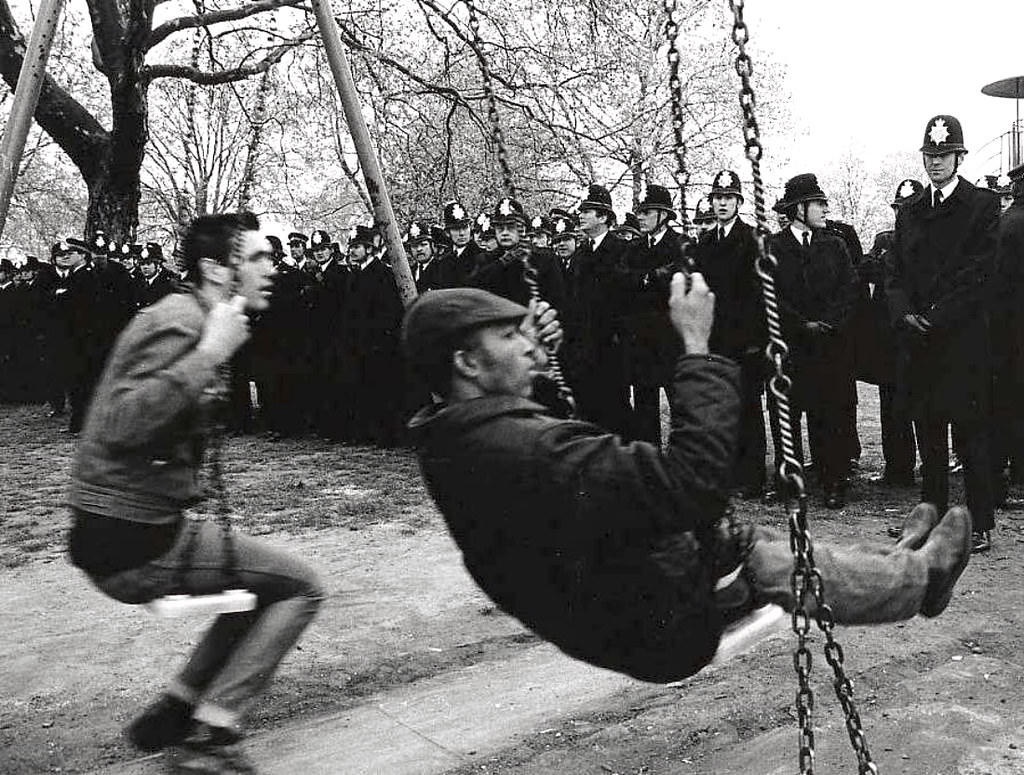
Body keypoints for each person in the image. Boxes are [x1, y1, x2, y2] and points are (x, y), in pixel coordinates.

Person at [402, 282, 971, 683]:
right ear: (466, 364)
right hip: (657, 620)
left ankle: (894, 559)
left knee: (754, 543)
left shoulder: (458, 434)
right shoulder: (519, 450)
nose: (529, 343)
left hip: (610, 600)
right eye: (508, 337)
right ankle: (921, 580)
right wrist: (696, 348)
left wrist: (538, 367)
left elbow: (562, 457)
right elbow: (691, 482)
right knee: (750, 552)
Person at [67, 212, 324, 772]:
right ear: (214, 268)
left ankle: (177, 707)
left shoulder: (197, 315)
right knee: (302, 587)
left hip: (134, 525)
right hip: (130, 537)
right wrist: (209, 354)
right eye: (257, 257)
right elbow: (119, 424)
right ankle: (212, 735)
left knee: (258, 585)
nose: (272, 267)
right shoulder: (183, 323)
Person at [885, 115, 1000, 553]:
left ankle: (979, 523)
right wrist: (904, 314)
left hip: (962, 339)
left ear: (960, 157)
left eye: (943, 155)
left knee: (971, 434)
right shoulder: (911, 211)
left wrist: (935, 315)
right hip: (920, 341)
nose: (935, 163)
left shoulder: (982, 205)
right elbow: (893, 271)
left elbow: (979, 273)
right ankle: (930, 515)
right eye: (929, 156)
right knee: (929, 435)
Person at [769, 174, 859, 509]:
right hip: (792, 347)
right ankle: (789, 483)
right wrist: (801, 324)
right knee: (787, 418)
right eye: (817, 204)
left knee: (829, 417)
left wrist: (829, 323)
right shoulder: (774, 248)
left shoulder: (834, 244)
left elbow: (850, 289)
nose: (824, 209)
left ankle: (832, 481)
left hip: (828, 347)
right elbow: (770, 296)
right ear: (797, 209)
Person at [694, 170, 767, 499]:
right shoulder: (705, 243)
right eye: (718, 198)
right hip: (715, 339)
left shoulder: (752, 239)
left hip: (744, 341)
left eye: (728, 198)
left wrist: (756, 340)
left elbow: (760, 295)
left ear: (739, 202)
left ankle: (752, 477)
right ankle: (728, 472)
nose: (722, 203)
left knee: (748, 407)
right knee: (720, 406)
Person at [862, 180, 922, 489]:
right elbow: (866, 268)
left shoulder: (930, 243)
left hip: (919, 336)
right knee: (891, 406)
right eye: (900, 208)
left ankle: (924, 469)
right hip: (888, 340)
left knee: (923, 405)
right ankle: (897, 469)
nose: (904, 214)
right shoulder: (885, 239)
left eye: (910, 208)